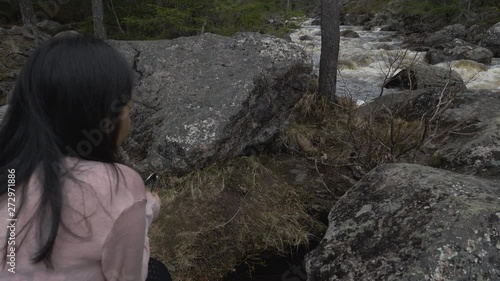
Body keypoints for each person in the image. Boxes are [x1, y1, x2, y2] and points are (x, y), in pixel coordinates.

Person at [0, 36, 170, 281]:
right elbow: (128, 275)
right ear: (103, 118)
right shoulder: (119, 184)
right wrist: (143, 213)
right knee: (157, 273)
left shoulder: (10, 169)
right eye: (127, 108)